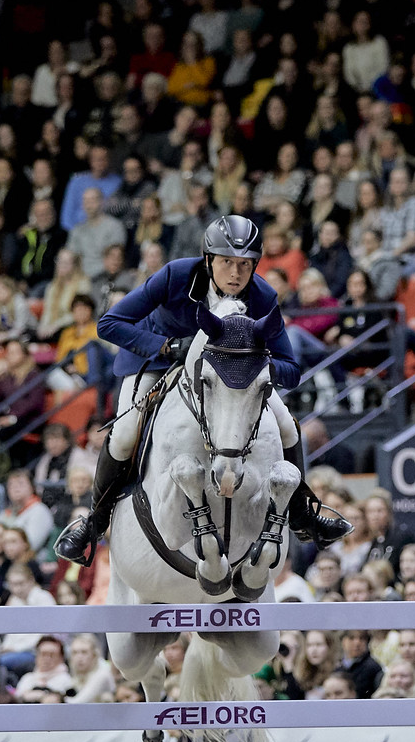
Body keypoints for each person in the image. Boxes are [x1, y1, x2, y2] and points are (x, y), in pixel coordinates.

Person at [54, 215, 351, 565]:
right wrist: (165, 346)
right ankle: (94, 522)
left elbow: (291, 369)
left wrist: (257, 365)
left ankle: (302, 513)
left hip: (231, 375)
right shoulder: (176, 275)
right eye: (227, 262)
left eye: (245, 265)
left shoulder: (262, 295)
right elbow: (110, 323)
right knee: (123, 435)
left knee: (286, 423)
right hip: (158, 362)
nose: (236, 274)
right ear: (208, 259)